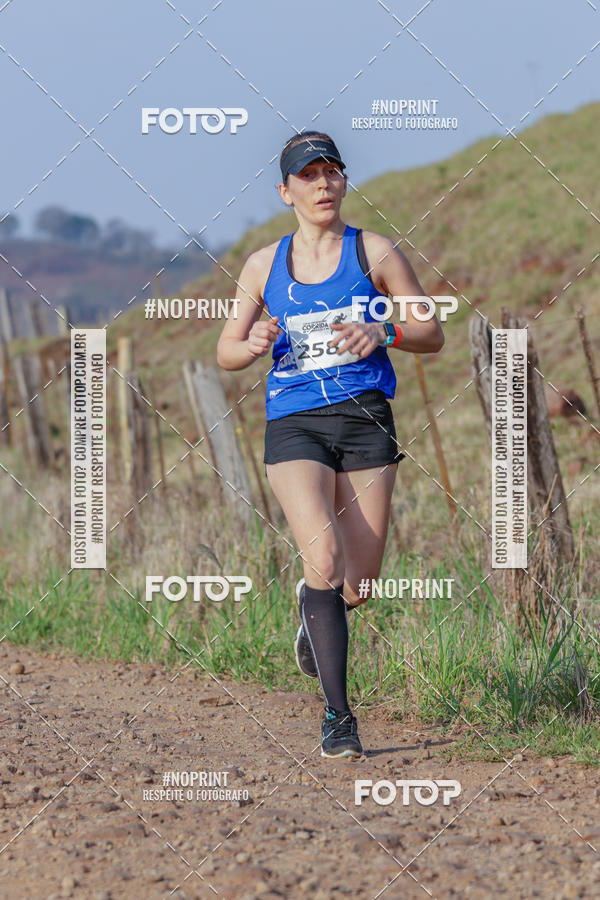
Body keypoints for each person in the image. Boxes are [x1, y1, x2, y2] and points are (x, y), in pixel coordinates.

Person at [217, 131, 444, 758]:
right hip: (296, 421)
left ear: (343, 181)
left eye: (331, 173)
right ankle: (338, 718)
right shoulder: (264, 265)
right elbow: (227, 352)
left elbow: (432, 332)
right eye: (308, 176)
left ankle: (311, 612)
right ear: (285, 190)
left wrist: (385, 329)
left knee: (358, 584)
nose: (323, 184)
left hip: (366, 418)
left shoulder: (374, 251)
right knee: (323, 558)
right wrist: (254, 341)